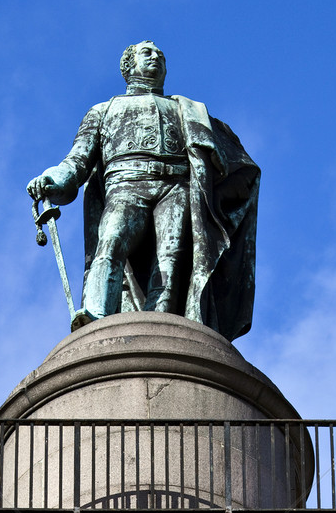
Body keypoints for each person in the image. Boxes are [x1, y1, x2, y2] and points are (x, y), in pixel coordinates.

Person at [27, 41, 259, 340]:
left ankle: (161, 321)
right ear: (128, 66)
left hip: (176, 186)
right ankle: (96, 313)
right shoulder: (103, 110)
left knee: (171, 257)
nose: (157, 58)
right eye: (147, 53)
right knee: (111, 242)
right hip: (125, 183)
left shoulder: (184, 108)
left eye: (161, 55)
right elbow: (77, 160)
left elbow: (227, 159)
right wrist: (53, 179)